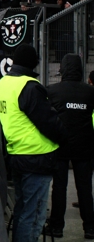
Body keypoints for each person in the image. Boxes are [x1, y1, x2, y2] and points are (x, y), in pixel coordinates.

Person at [0, 44, 67, 242]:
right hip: (38, 157)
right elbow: (49, 122)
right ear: (34, 63)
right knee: (33, 215)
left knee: (22, 209)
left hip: (16, 154)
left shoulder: (2, 84)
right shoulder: (29, 87)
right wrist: (65, 138)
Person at [45, 54, 94, 239]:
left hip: (60, 146)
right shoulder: (90, 92)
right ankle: (90, 227)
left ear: (63, 69)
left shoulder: (52, 91)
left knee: (59, 187)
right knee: (85, 188)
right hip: (85, 147)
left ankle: (57, 227)